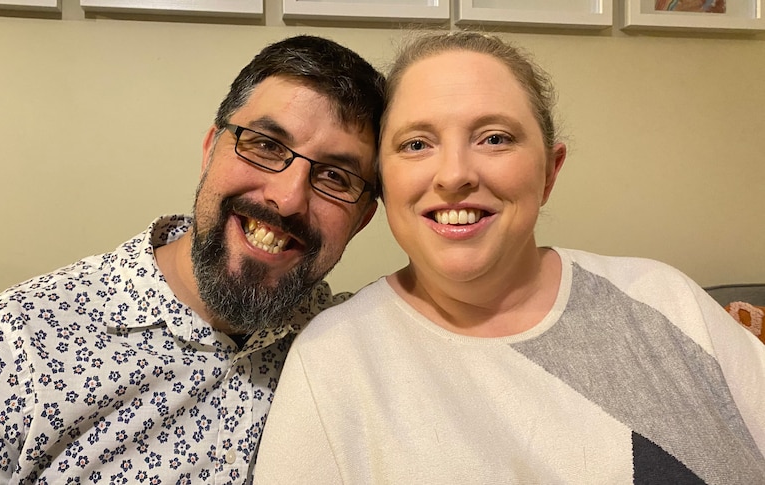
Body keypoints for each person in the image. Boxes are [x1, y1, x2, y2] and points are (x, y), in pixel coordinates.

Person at [254, 31, 765, 484]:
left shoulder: (666, 300)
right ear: (383, 183)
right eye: (416, 143)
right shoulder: (336, 359)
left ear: (549, 171)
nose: (453, 175)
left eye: (494, 138)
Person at [0, 35, 383, 484]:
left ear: (362, 220)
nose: (287, 197)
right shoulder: (8, 346)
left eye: (336, 177)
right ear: (210, 150)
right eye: (265, 145)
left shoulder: (351, 348)